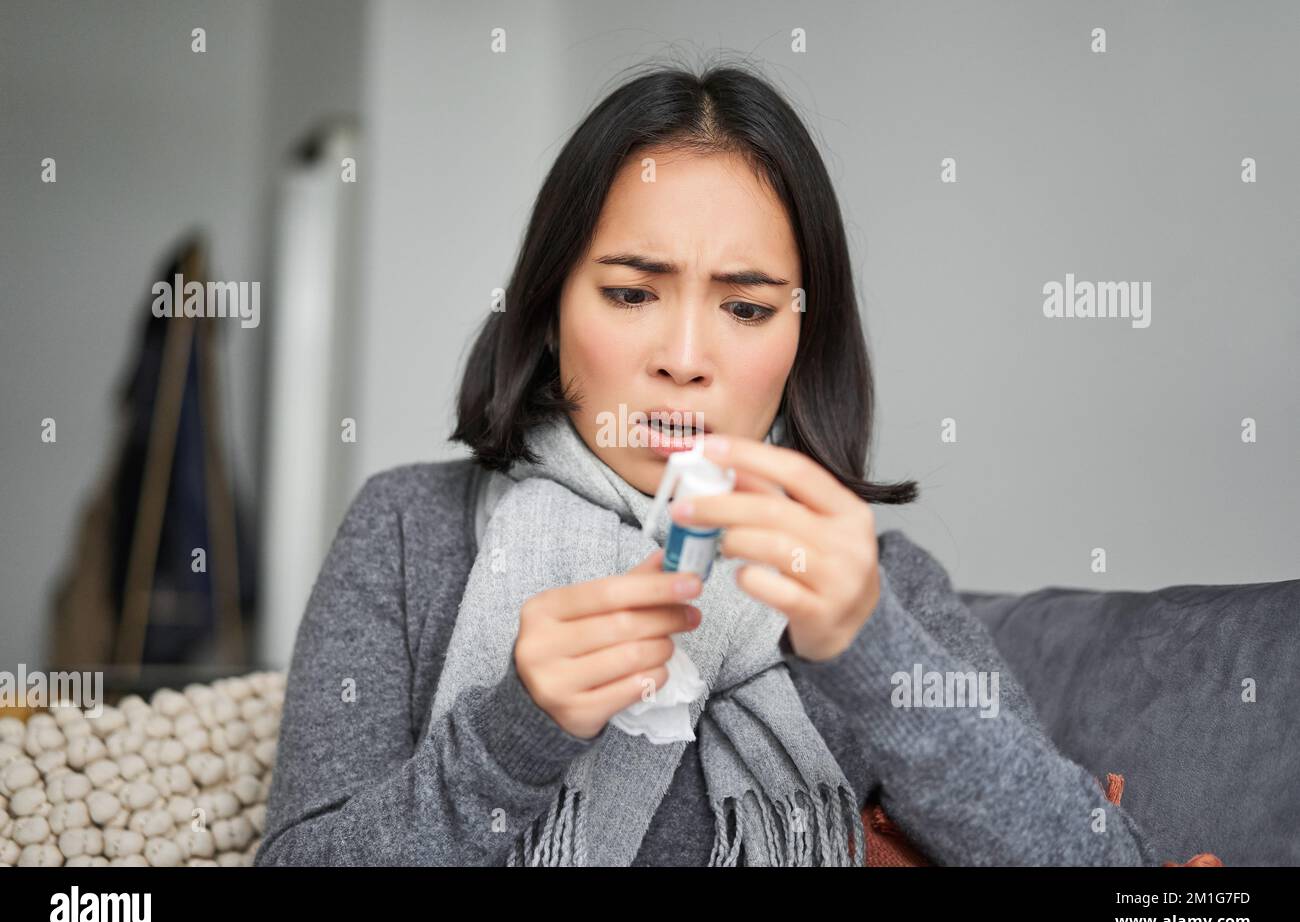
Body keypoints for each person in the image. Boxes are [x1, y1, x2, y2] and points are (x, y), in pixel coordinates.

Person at [255, 60, 1164, 866]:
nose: (685, 357)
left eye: (747, 309)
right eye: (629, 293)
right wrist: (511, 733)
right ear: (545, 308)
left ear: (805, 341)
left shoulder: (872, 591)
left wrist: (869, 655)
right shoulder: (411, 531)